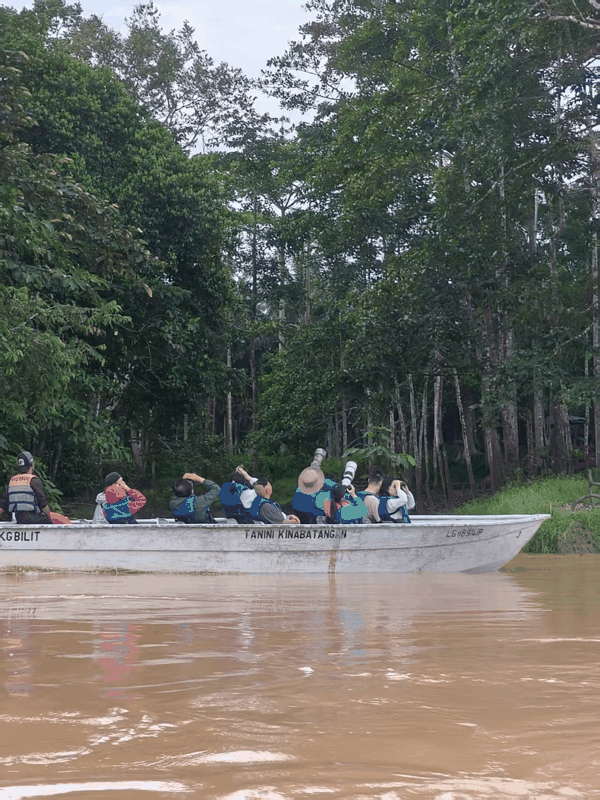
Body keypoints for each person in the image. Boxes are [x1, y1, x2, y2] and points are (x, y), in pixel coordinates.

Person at [0, 451, 71, 525]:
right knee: (63, 520)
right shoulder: (33, 480)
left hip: (19, 519)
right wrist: (50, 517)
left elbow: (3, 505)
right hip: (34, 518)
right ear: (32, 465)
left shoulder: (12, 480)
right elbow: (43, 504)